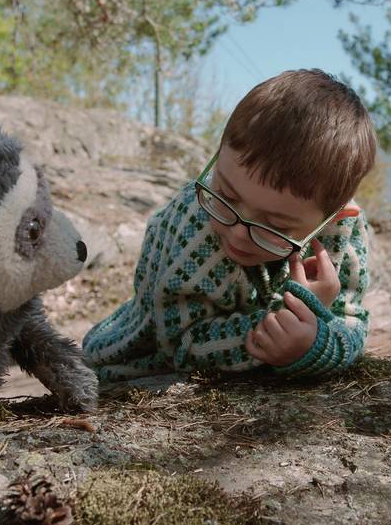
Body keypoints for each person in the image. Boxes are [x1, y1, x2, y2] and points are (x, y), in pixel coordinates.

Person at [82, 69, 376, 381]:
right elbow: (181, 344)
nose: (238, 232)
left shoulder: (342, 234)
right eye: (226, 194)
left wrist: (314, 344)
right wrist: (281, 326)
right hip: (140, 361)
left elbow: (351, 322)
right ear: (217, 158)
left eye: (275, 225)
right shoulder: (193, 222)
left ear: (332, 218)